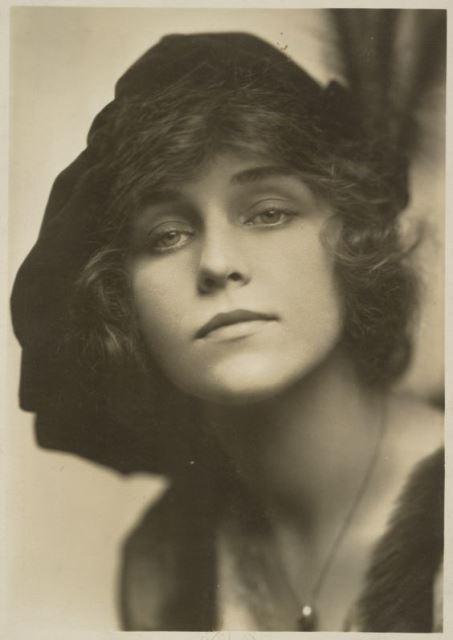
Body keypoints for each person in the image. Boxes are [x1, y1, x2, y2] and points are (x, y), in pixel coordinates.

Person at [11, 31, 444, 632]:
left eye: (268, 213)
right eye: (167, 235)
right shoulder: (163, 568)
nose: (217, 263)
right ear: (120, 295)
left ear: (354, 233)